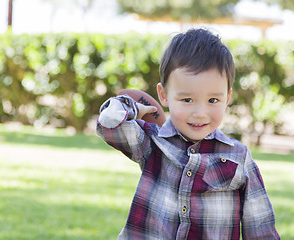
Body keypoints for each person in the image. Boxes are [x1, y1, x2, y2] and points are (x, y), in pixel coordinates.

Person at [96, 28, 280, 239]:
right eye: (186, 100)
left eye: (213, 100)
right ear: (164, 96)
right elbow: (109, 123)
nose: (200, 114)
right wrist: (136, 108)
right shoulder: (151, 143)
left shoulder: (238, 156)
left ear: (227, 97)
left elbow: (260, 227)